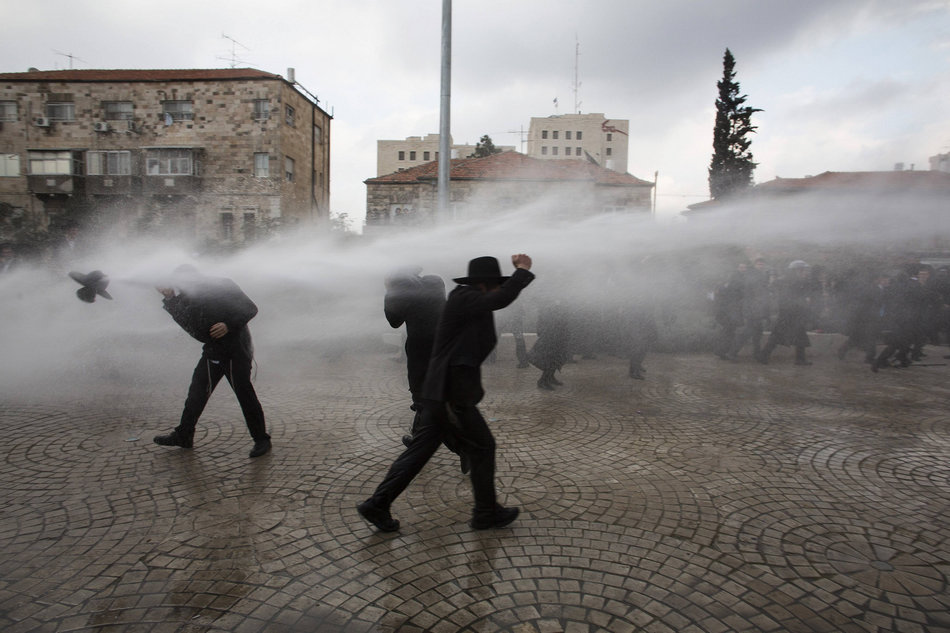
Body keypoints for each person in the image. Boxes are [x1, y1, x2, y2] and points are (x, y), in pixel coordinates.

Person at [358, 254, 535, 532]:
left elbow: (492, 303)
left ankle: (378, 504)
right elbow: (498, 299)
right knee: (483, 446)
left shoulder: (464, 299)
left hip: (443, 391)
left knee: (420, 450)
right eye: (493, 284)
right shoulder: (465, 297)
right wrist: (522, 271)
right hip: (450, 392)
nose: (495, 289)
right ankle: (485, 513)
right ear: (483, 284)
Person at [153, 265, 271, 458]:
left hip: (236, 350)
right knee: (196, 393)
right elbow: (191, 327)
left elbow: (250, 308)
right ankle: (184, 434)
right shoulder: (186, 296)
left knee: (244, 393)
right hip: (213, 351)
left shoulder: (222, 285)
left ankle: (261, 439)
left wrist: (228, 325)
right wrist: (170, 299)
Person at [383, 266, 446, 445]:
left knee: (422, 396)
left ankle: (463, 447)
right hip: (443, 347)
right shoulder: (435, 281)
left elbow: (394, 322)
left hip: (421, 350)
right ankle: (418, 436)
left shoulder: (404, 293)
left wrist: (390, 290)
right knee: (432, 397)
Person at [756, 260, 815, 366]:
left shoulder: (793, 280)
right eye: (803, 270)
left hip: (794, 314)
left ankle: (800, 359)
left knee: (800, 337)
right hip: (788, 314)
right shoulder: (791, 282)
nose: (805, 272)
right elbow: (789, 298)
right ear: (797, 270)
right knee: (777, 336)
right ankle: (763, 355)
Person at [528, 298, 571, 389]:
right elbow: (543, 318)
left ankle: (550, 377)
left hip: (559, 334)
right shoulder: (548, 304)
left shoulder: (561, 303)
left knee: (557, 357)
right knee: (550, 358)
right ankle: (542, 380)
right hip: (551, 335)